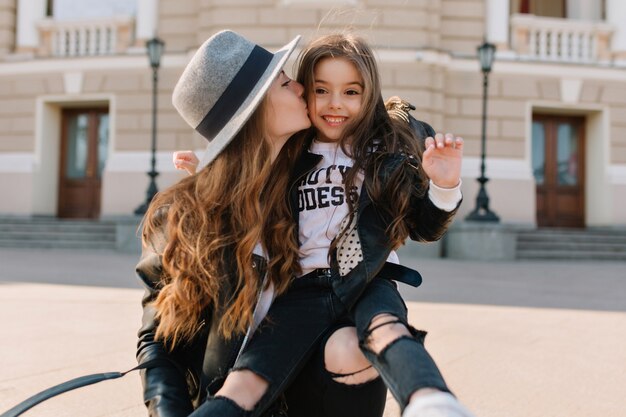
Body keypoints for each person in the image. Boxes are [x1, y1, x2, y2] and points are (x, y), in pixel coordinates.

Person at [173, 33, 476, 417]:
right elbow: (251, 184)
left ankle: (431, 401)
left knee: (387, 329)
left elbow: (424, 227)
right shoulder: (291, 154)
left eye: (351, 92)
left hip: (368, 277)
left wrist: (444, 185)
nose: (336, 104)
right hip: (301, 284)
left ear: (370, 96)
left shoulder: (384, 154)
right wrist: (210, 174)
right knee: (245, 380)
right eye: (320, 90)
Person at [136, 29, 392, 417]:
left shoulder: (301, 193)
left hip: (306, 394)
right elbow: (157, 341)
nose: (303, 89)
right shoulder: (181, 216)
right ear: (255, 109)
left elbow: (385, 128)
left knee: (354, 346)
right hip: (224, 402)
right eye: (287, 83)